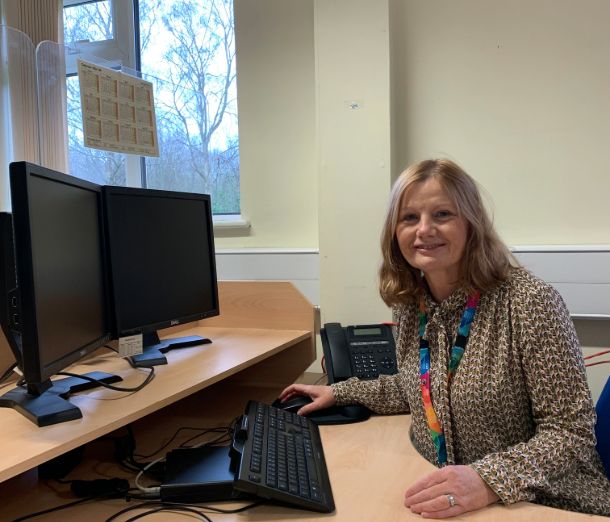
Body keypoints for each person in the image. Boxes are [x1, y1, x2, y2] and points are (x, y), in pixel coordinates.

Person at [279, 159, 610, 518]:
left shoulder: (529, 302)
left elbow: (571, 433)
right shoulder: (411, 304)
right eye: (409, 218)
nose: (424, 230)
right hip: (448, 494)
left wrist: (487, 480)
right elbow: (419, 387)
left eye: (442, 214)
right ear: (394, 231)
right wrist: (339, 392)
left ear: (471, 224)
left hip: (545, 502)